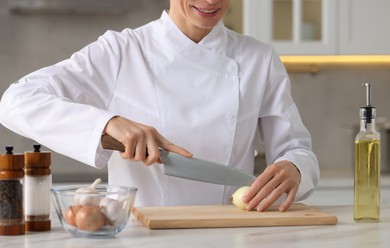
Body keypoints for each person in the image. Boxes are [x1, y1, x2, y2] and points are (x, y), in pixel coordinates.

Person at [0, 0, 319, 212]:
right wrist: (108, 124)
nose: (210, 0)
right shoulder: (122, 51)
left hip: (229, 235)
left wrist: (295, 169)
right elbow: (16, 101)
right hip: (141, 239)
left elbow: (296, 149)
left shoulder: (259, 59)